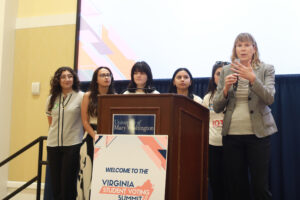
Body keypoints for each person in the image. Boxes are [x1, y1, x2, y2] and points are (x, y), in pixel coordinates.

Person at [213, 33, 277, 200]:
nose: (243, 48)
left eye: (247, 45)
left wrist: (253, 79)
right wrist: (225, 88)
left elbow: (269, 98)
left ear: (254, 49)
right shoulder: (226, 70)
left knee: (260, 186)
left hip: (259, 134)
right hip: (232, 136)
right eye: (239, 45)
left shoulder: (266, 69)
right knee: (236, 187)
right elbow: (218, 107)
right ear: (235, 49)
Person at [76, 66, 115, 200]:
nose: (106, 78)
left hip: (110, 138)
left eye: (108, 75)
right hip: (91, 137)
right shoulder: (88, 96)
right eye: (102, 75)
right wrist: (96, 137)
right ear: (96, 79)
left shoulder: (115, 96)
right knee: (88, 174)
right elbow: (84, 121)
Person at [46, 66, 84, 200]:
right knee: (56, 184)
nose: (67, 79)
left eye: (70, 76)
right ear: (58, 80)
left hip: (72, 144)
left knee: (68, 184)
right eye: (63, 77)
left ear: (74, 79)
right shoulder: (52, 98)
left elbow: (85, 120)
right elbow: (50, 121)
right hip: (53, 145)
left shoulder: (81, 96)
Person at [202, 61, 229, 200]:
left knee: (233, 184)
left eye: (225, 72)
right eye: (219, 73)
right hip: (212, 145)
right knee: (216, 183)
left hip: (232, 145)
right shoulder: (208, 98)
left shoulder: (238, 95)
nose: (222, 76)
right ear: (213, 77)